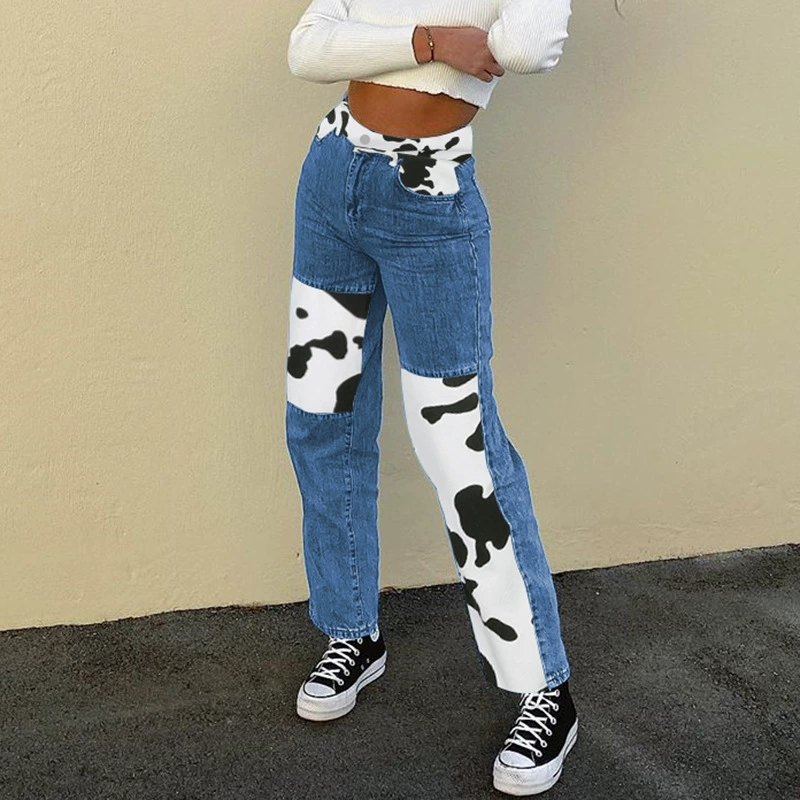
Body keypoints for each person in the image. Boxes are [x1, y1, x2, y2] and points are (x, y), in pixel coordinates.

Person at [284, 1, 576, 794]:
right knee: (321, 419)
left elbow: (525, 46)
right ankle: (352, 633)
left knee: (461, 445)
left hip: (431, 197)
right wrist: (431, 41)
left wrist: (381, 44)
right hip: (333, 176)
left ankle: (542, 688)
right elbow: (307, 49)